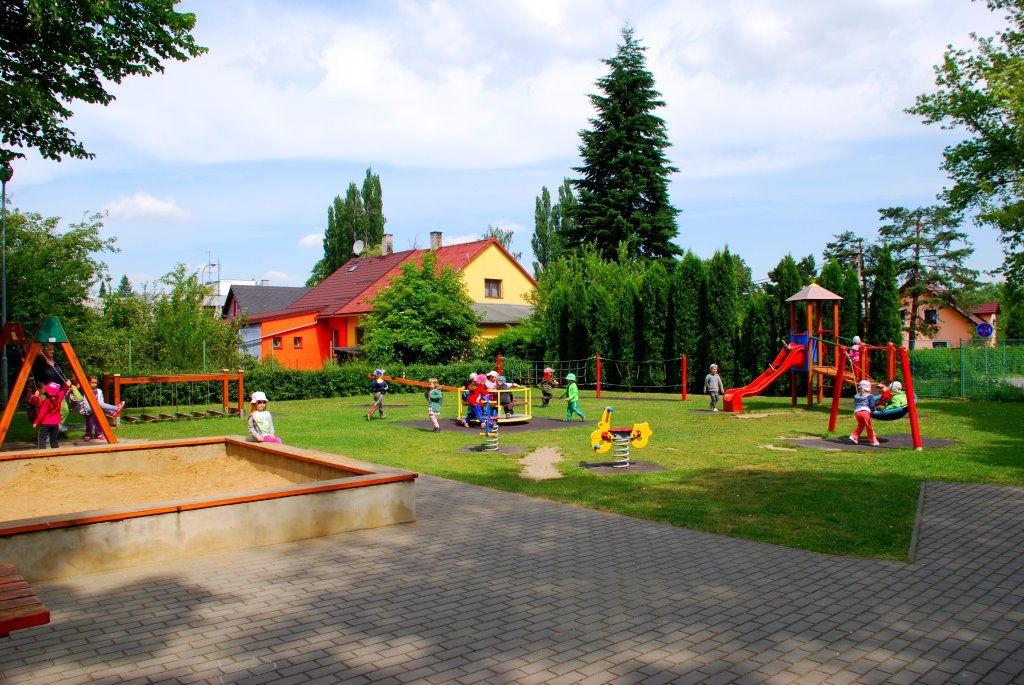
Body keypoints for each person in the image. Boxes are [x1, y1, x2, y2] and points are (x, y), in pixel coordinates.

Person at [31, 343, 69, 431]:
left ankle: (57, 425)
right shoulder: (39, 363)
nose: (52, 351)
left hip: (59, 390)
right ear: (44, 351)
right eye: (49, 350)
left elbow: (61, 372)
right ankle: (45, 431)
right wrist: (39, 388)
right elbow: (35, 375)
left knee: (65, 410)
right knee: (46, 412)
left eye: (53, 349)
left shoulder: (56, 361)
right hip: (46, 391)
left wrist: (66, 382)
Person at [33, 380, 71, 449]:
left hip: (45, 423)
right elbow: (64, 391)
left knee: (42, 439)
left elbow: (42, 414)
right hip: (55, 423)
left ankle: (42, 452)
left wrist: (36, 422)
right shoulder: (59, 397)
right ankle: (55, 451)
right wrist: (68, 384)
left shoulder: (46, 401)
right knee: (54, 439)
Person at [850, 379, 879, 446]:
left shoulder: (856, 396)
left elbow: (855, 404)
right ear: (868, 388)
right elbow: (872, 405)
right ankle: (873, 441)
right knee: (869, 427)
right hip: (865, 412)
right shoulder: (870, 396)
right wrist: (873, 411)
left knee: (861, 425)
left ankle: (854, 436)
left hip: (857, 412)